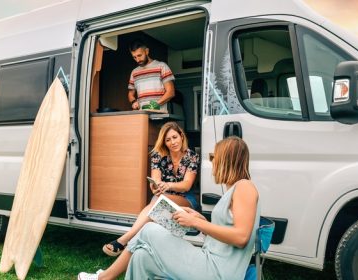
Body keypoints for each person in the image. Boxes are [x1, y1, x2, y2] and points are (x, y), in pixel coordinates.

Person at [78, 136, 260, 280]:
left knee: (148, 229)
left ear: (226, 160)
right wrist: (200, 220)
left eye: (215, 158)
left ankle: (103, 278)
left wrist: (196, 223)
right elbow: (227, 232)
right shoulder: (235, 189)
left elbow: (241, 237)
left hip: (216, 270)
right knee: (142, 257)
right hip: (210, 261)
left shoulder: (245, 187)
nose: (212, 163)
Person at [101, 121, 199, 257]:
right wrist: (155, 187)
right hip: (162, 197)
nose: (173, 142)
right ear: (164, 142)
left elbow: (186, 185)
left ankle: (124, 239)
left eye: (175, 137)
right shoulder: (158, 155)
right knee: (156, 206)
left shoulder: (192, 156)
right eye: (168, 140)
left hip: (186, 199)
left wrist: (168, 186)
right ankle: (132, 244)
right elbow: (155, 181)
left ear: (181, 136)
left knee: (157, 203)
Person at [128, 39, 175, 111]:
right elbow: (130, 94)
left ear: (147, 51)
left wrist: (153, 106)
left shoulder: (161, 66)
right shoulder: (134, 72)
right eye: (134, 57)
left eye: (139, 55)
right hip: (142, 116)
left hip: (159, 115)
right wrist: (134, 102)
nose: (137, 60)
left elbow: (171, 92)